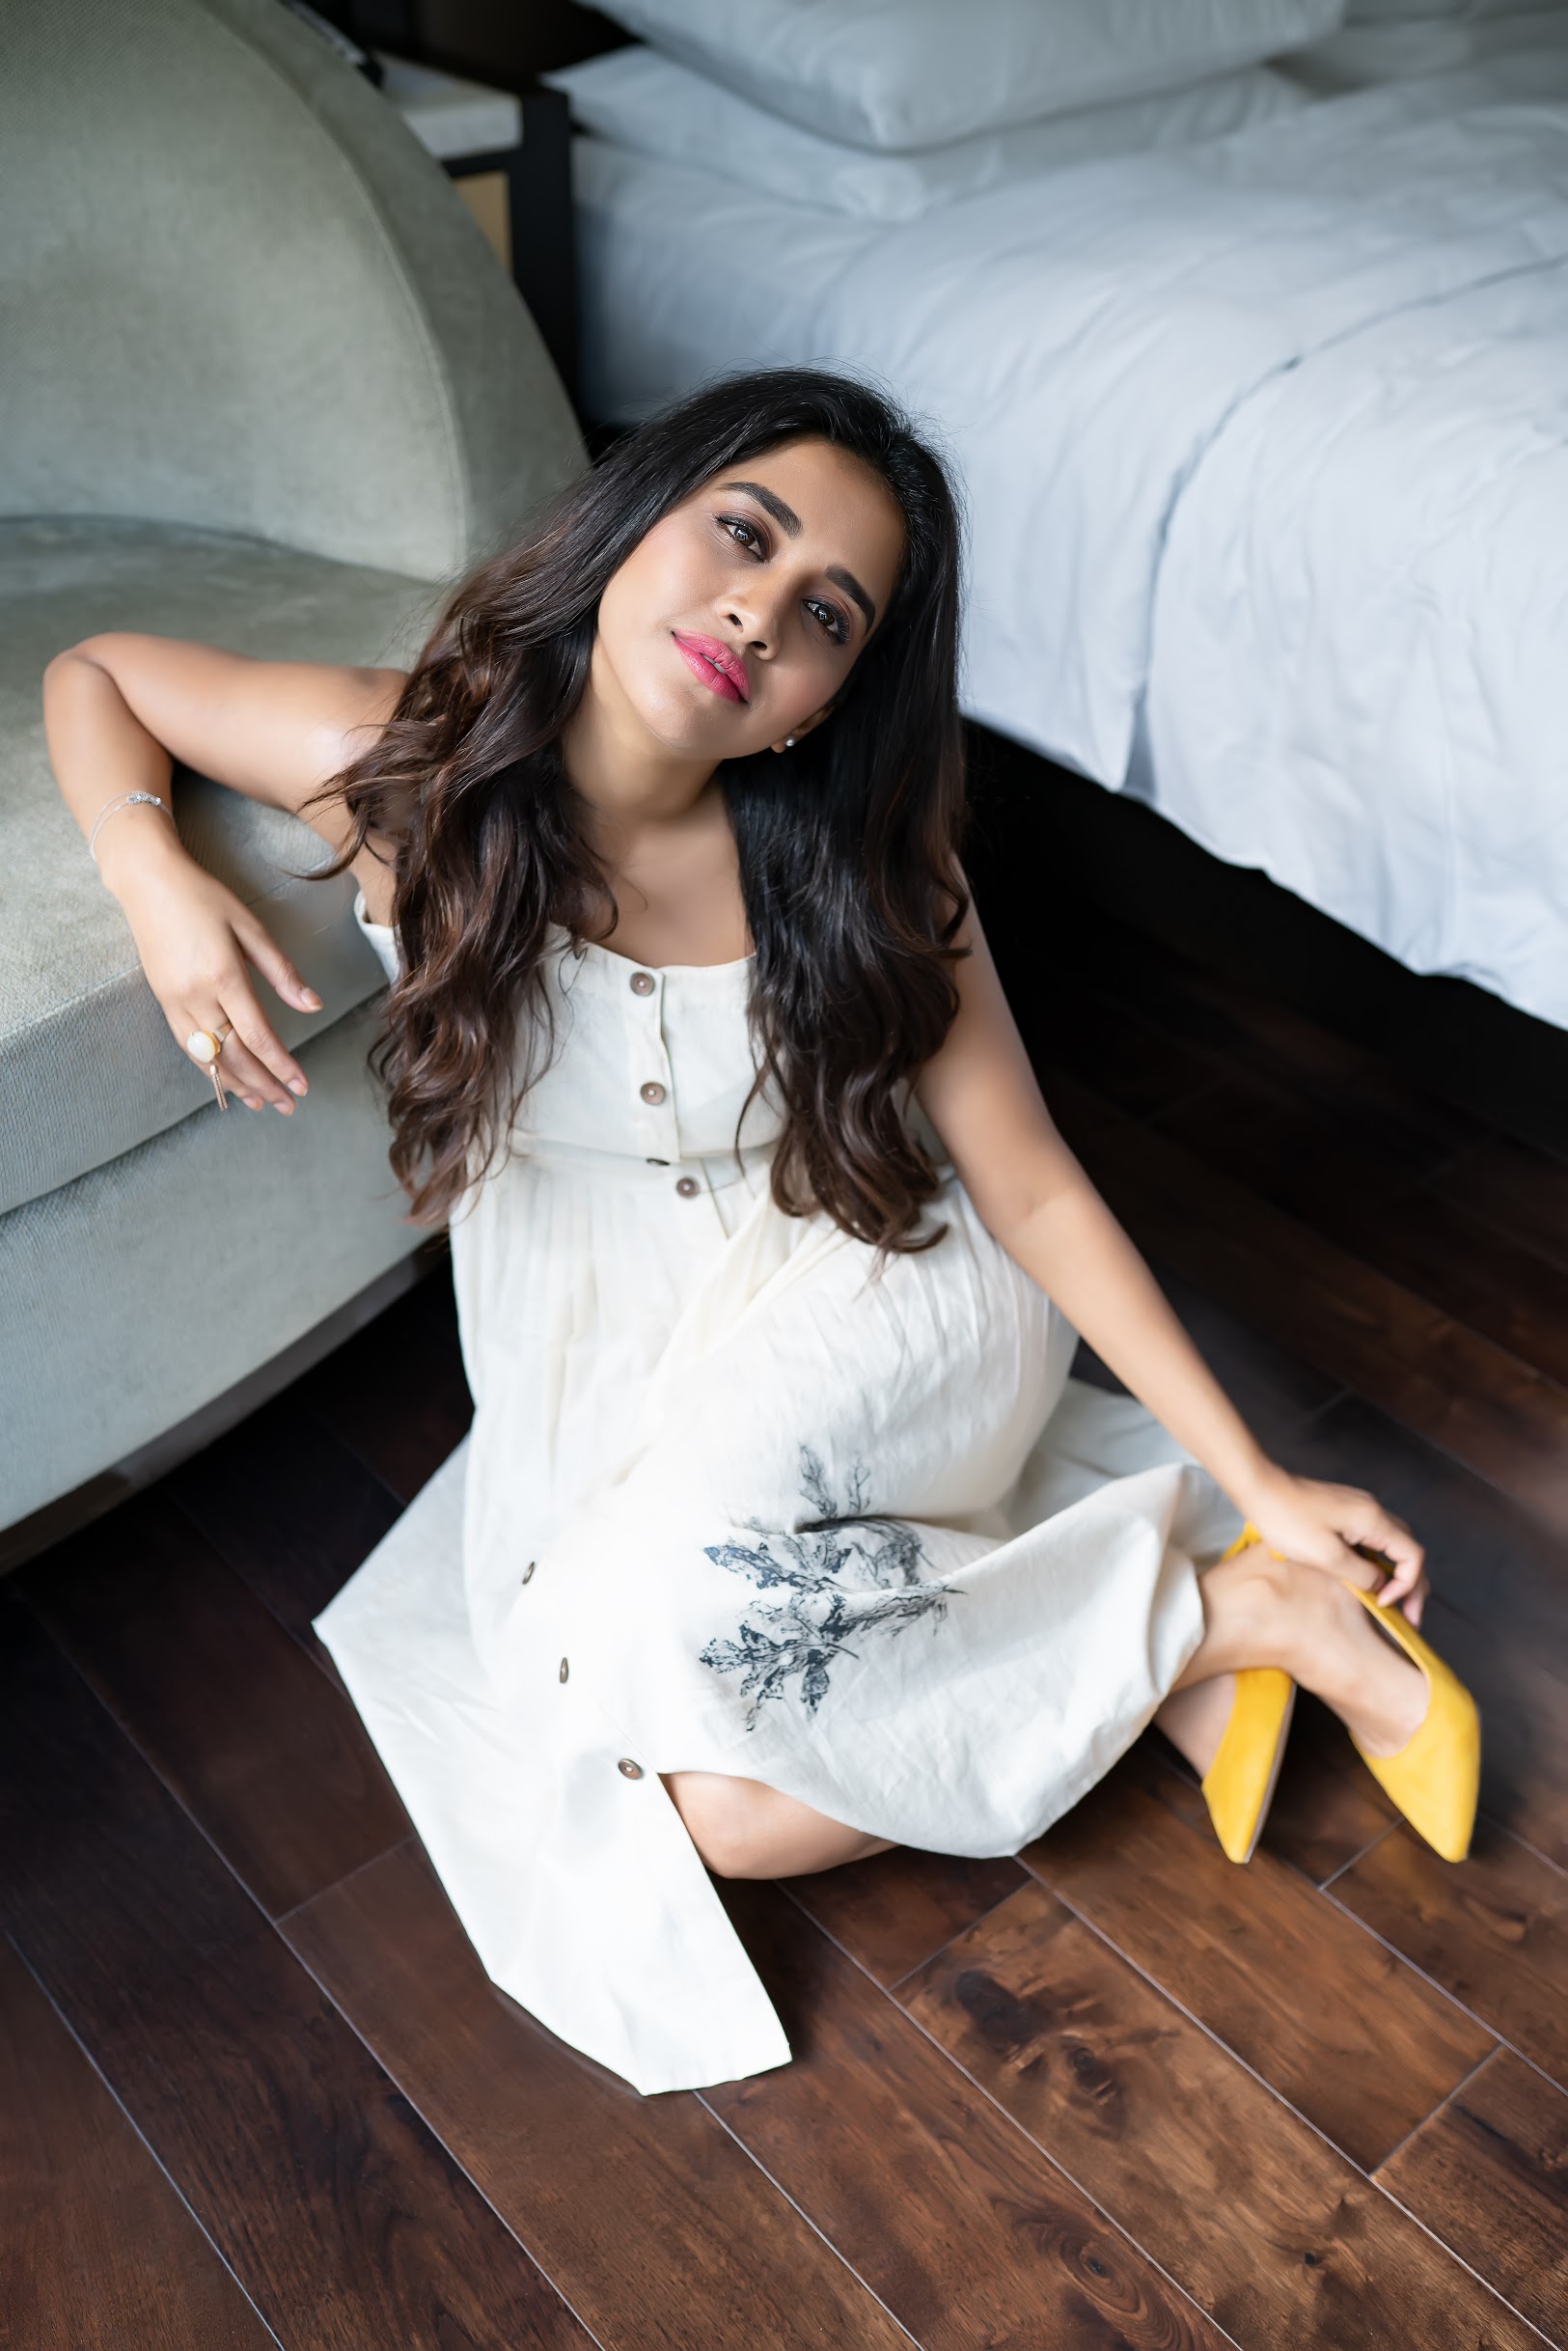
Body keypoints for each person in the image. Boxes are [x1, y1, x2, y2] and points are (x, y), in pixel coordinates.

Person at [44, 369, 1477, 2095]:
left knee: (680, 1627)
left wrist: (1259, 1474)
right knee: (717, 1814)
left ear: (824, 703)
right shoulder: (409, 761)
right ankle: (1204, 1627)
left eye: (827, 615)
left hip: (886, 1283)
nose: (759, 612)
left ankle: (1262, 1608)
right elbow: (98, 675)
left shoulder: (867, 862)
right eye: (742, 533)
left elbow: (1027, 1184)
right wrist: (154, 879)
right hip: (604, 1348)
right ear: (627, 522)